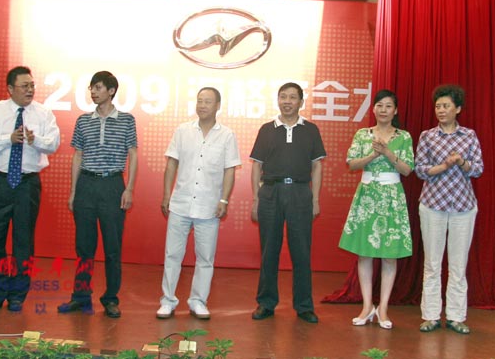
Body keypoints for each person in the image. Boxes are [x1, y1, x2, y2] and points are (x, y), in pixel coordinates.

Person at [0, 66, 60, 313]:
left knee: (24, 241)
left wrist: (35, 140)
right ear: (10, 89)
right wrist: (8, 139)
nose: (30, 90)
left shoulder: (43, 113)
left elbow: (53, 143)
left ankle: (17, 296)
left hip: (27, 184)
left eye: (32, 85)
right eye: (24, 86)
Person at [157, 87, 241, 320]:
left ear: (218, 106)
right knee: (172, 255)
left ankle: (198, 301)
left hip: (209, 206)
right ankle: (167, 301)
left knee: (205, 258)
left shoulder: (227, 135)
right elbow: (171, 164)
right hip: (180, 203)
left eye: (207, 102)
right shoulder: (182, 131)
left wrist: (224, 199)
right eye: (199, 101)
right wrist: (166, 195)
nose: (202, 105)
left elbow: (230, 170)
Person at [58, 71, 137, 318]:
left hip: (112, 185)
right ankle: (80, 297)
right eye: (91, 88)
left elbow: (133, 154)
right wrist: (73, 191)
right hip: (86, 185)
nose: (93, 92)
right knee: (84, 247)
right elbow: (77, 156)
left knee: (112, 247)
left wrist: (129, 188)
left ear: (111, 91)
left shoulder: (127, 120)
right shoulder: (83, 121)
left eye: (98, 87)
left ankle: (111, 299)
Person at [249, 82, 326, 323]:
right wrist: (256, 198)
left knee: (301, 251)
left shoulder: (310, 130)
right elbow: (256, 166)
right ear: (278, 100)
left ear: (301, 102)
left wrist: (315, 199)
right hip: (270, 192)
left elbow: (317, 166)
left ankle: (304, 306)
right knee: (269, 250)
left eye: (293, 97)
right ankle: (266, 303)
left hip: (300, 192)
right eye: (283, 96)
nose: (287, 101)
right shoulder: (266, 129)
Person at [338, 89, 414, 330]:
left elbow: (407, 170)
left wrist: (388, 153)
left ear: (395, 110)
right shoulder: (363, 134)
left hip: (391, 197)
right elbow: (352, 164)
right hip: (367, 196)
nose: (383, 110)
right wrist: (373, 154)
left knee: (389, 255)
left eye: (388, 106)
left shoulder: (404, 137)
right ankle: (367, 306)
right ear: (373, 109)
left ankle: (383, 309)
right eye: (379, 105)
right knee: (364, 254)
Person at [415, 84, 484, 334]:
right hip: (433, 205)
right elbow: (420, 169)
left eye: (446, 106)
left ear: (458, 109)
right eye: (438, 106)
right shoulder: (427, 136)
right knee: (432, 264)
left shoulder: (469, 136)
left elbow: (478, 169)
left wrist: (461, 161)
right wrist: (443, 166)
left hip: (463, 206)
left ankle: (456, 316)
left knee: (458, 264)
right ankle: (431, 315)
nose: (441, 110)